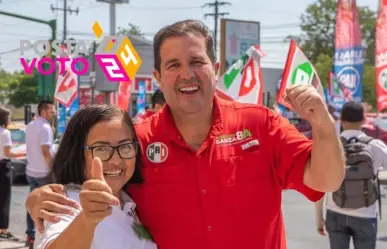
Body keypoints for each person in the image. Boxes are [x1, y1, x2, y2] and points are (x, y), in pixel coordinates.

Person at [25, 19, 345, 249]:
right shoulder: (135, 140)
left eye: (196, 61)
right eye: (174, 65)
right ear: (158, 77)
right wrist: (39, 198)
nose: (186, 74)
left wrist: (323, 124)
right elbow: (95, 184)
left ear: (215, 68)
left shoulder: (262, 124)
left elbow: (326, 180)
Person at [33, 105, 157, 249]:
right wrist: (87, 220)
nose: (116, 160)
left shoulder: (130, 202)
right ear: (77, 154)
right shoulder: (64, 202)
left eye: (125, 146)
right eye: (101, 149)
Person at [314, 101, 387, 249]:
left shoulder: (330, 146)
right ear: (363, 121)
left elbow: (319, 183)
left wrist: (319, 218)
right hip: (366, 214)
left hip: (335, 211)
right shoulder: (375, 146)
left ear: (341, 120)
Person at [25, 100, 57, 247]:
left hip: (31, 170)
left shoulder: (30, 125)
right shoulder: (45, 127)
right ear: (44, 111)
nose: (54, 113)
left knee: (32, 205)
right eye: (52, 110)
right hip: (43, 173)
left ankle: (30, 236)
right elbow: (45, 151)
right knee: (46, 208)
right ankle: (43, 239)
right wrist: (54, 168)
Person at [0, 107, 25, 241]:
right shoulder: (5, 133)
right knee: (4, 198)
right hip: (3, 167)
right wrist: (24, 153)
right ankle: (3, 229)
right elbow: (8, 153)